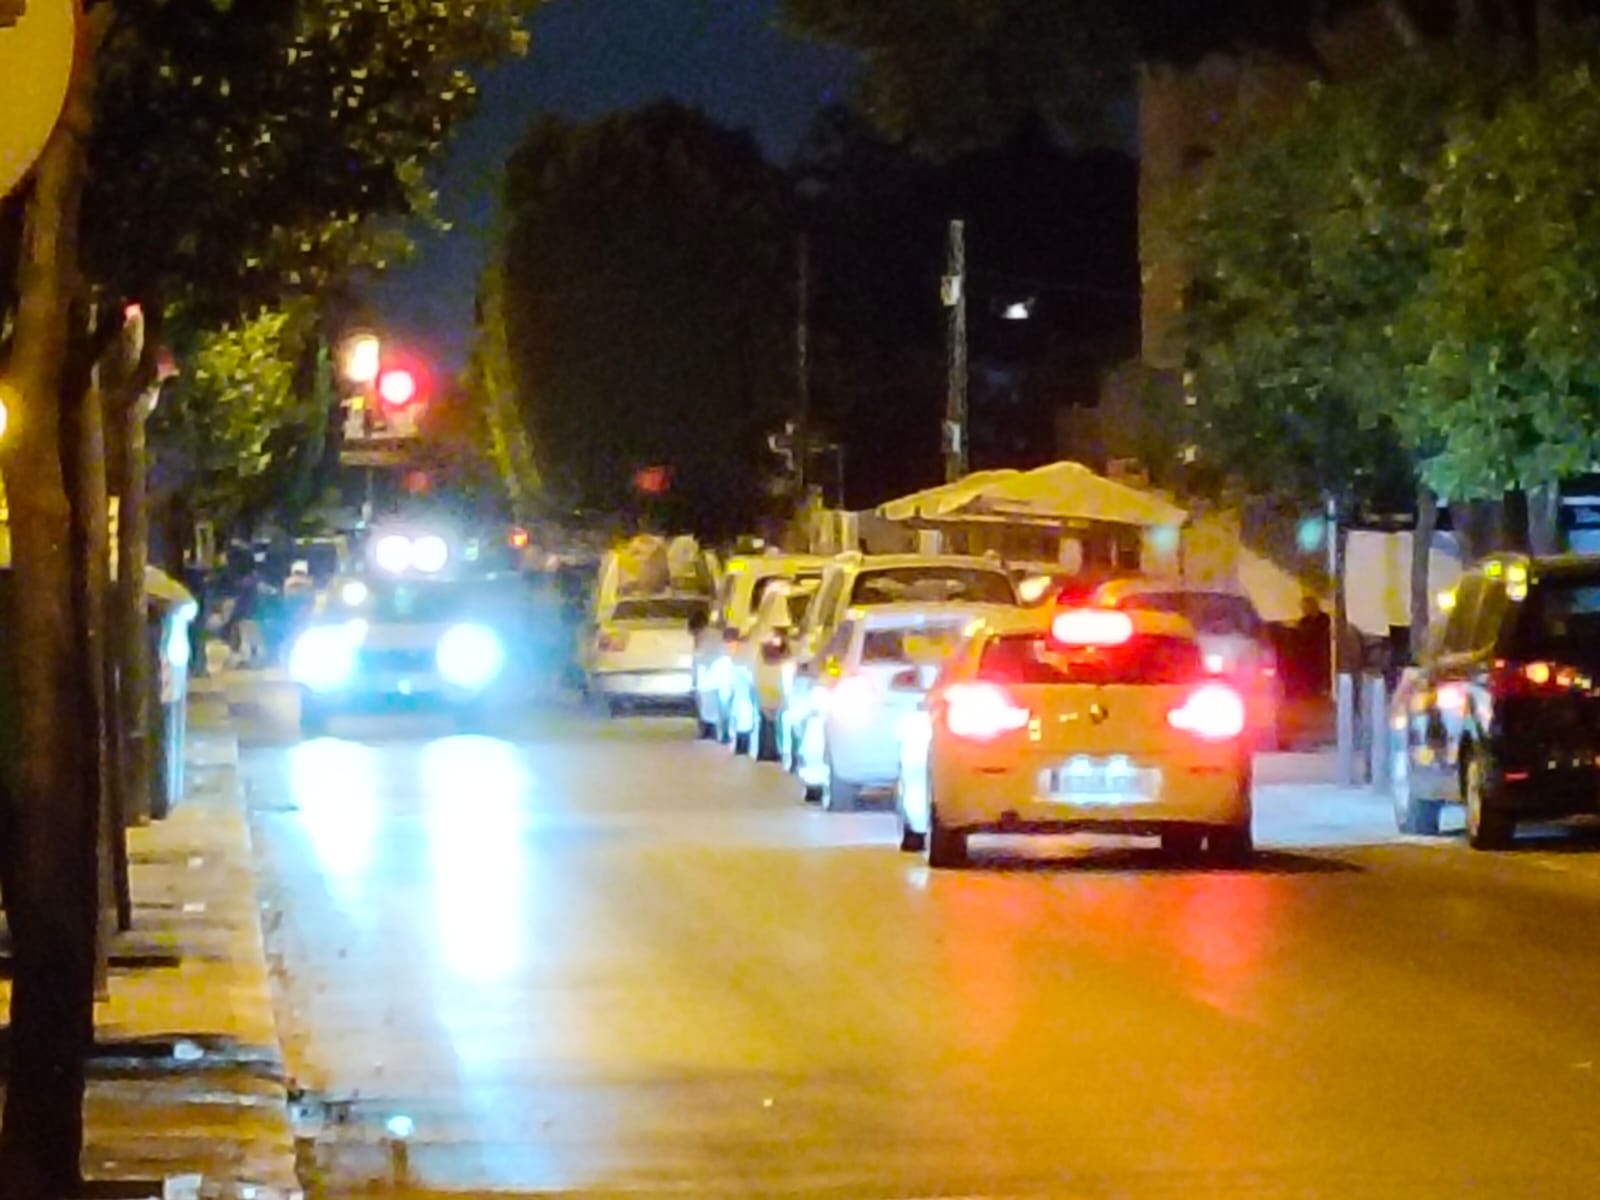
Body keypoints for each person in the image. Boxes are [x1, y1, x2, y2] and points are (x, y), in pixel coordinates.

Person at [1297, 594, 1333, 698]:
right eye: (1303, 607)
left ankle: (1323, 687)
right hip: (1307, 651)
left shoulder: (1324, 618)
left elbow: (1322, 634)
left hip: (1321, 649)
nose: (1304, 610)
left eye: (1306, 607)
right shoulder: (1304, 621)